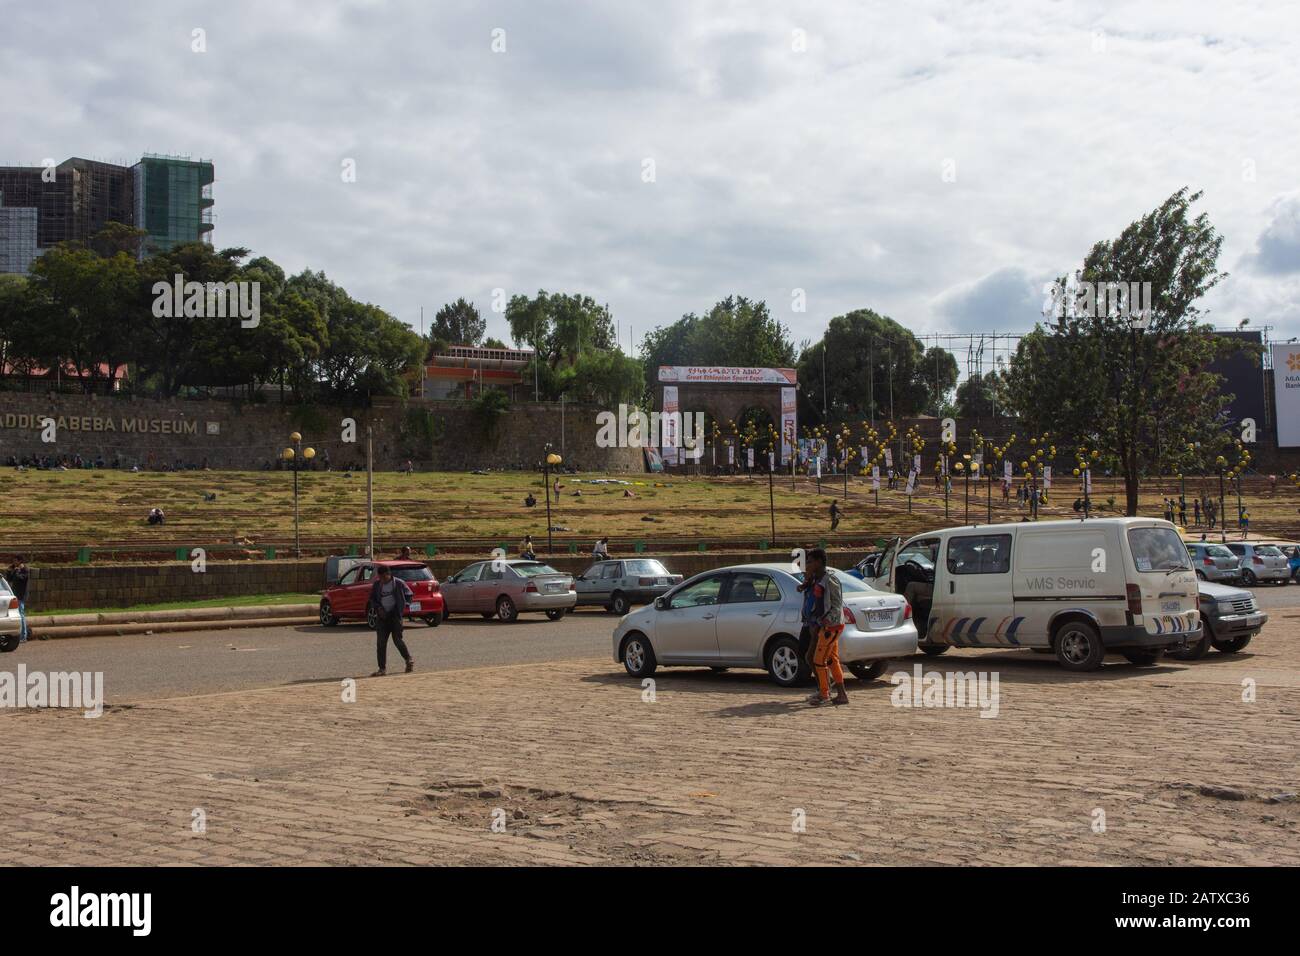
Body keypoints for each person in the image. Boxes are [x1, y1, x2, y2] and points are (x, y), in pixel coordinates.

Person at [804, 549, 848, 707]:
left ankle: (824, 694)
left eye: (810, 561)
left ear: (818, 562)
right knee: (831, 660)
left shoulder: (830, 580)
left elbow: (836, 604)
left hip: (831, 626)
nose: (807, 564)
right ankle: (841, 695)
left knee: (818, 660)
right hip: (826, 625)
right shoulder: (817, 579)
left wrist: (826, 621)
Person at [367, 565, 415, 676]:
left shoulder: (399, 583)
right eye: (380, 577)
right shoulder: (377, 585)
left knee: (397, 640)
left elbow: (409, 596)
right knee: (381, 643)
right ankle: (382, 669)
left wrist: (402, 608)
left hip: (395, 617)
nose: (382, 579)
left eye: (384, 577)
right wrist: (378, 608)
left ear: (389, 575)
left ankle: (409, 659)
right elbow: (372, 599)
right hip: (382, 617)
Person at [6, 556, 29, 644]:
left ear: (20, 561)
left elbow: (21, 578)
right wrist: (9, 571)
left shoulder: (25, 569)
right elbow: (10, 579)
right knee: (17, 614)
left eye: (15, 561)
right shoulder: (17, 570)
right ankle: (18, 635)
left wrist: (17, 570)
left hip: (21, 595)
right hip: (15, 595)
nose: (14, 562)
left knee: (21, 614)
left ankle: (23, 636)